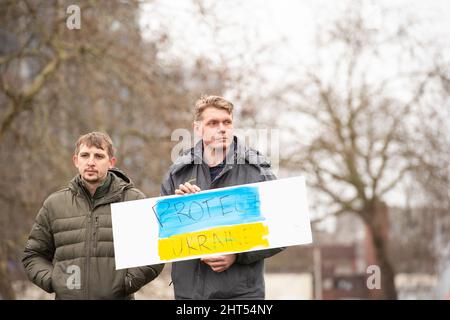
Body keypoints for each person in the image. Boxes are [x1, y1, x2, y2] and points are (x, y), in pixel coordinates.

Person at [161, 95, 284, 299]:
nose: (222, 128)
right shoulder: (177, 173)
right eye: (213, 123)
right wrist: (178, 208)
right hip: (190, 295)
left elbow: (283, 228)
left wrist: (238, 255)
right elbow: (162, 235)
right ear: (198, 128)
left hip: (242, 296)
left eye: (227, 122)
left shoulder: (257, 170)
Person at [22, 132, 164, 299]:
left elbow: (156, 251)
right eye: (85, 155)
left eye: (98, 156)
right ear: (76, 161)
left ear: (111, 162)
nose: (91, 162)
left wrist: (127, 282)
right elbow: (33, 255)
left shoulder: (133, 200)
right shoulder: (54, 204)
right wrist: (54, 281)